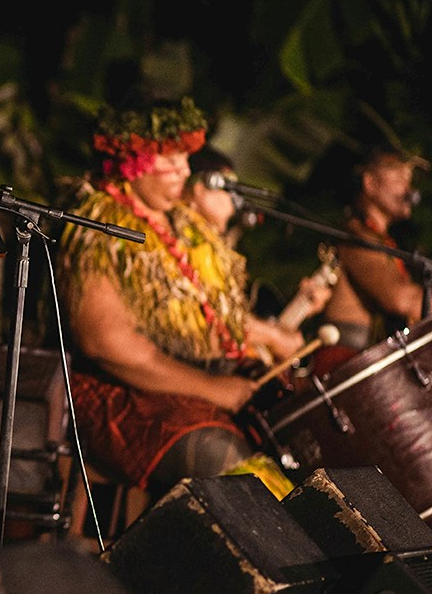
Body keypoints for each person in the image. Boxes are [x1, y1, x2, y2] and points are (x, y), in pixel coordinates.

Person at [55, 98, 295, 497]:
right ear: (135, 161)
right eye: (173, 159)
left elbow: (217, 318)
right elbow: (107, 345)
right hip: (117, 395)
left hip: (190, 386)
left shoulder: (184, 225)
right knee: (224, 458)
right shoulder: (100, 229)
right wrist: (210, 388)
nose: (186, 171)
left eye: (187, 158)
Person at [324, 144, 432, 351]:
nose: (409, 189)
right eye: (398, 179)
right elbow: (401, 299)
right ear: (370, 183)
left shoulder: (384, 241)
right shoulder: (355, 237)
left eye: (409, 179)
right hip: (344, 362)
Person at [184, 146, 333, 339]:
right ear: (199, 189)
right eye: (229, 188)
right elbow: (211, 315)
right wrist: (274, 337)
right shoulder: (185, 240)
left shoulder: (222, 249)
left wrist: (302, 308)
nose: (235, 200)